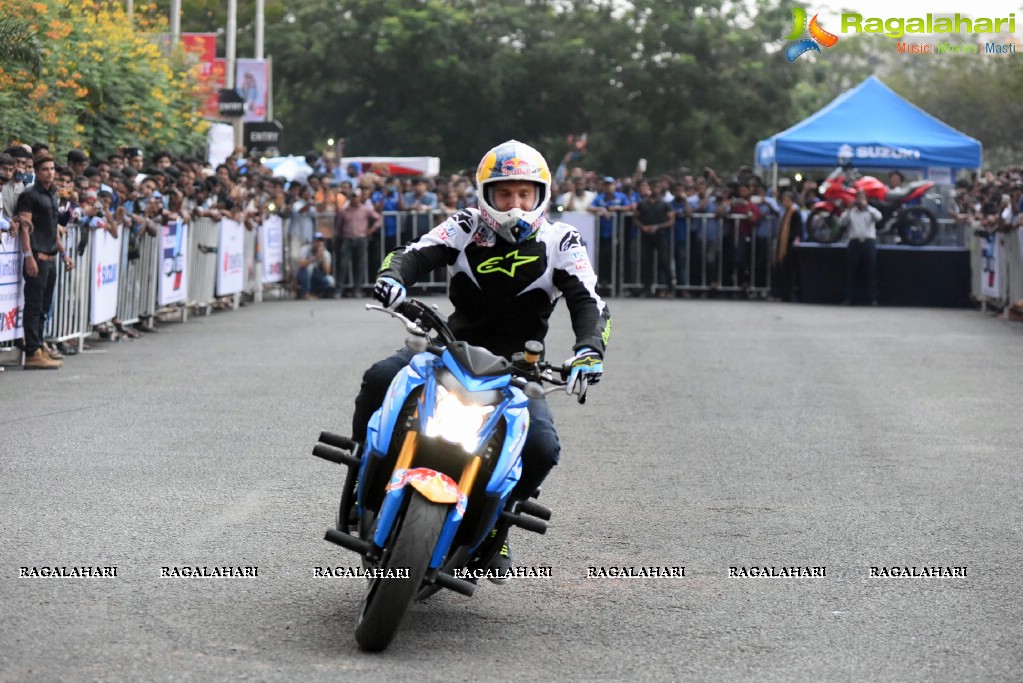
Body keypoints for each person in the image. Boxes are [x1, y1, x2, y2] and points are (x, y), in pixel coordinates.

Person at [355, 140, 610, 582]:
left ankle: (497, 525)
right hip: (450, 349)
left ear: (541, 195)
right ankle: (367, 472)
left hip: (519, 370)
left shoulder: (562, 239)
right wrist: (392, 278)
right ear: (485, 194)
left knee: (541, 448)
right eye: (504, 193)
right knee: (380, 377)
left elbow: (589, 303)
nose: (514, 203)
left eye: (524, 194)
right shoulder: (465, 225)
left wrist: (589, 349)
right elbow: (412, 254)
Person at [15, 156, 75, 369]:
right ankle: (32, 351)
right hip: (37, 257)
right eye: (45, 169)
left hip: (51, 258)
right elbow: (25, 227)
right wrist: (28, 255)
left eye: (52, 169)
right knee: (33, 306)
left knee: (44, 307)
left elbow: (54, 228)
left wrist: (65, 254)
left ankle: (39, 347)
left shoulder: (53, 194)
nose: (50, 172)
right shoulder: (30, 196)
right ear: (37, 172)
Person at [335, 188, 381, 297]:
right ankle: (339, 289)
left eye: (356, 196)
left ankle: (357, 289)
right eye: (353, 197)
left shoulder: (365, 209)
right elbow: (338, 227)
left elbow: (379, 219)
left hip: (361, 239)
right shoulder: (343, 211)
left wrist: (370, 230)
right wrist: (336, 238)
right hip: (347, 239)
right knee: (342, 265)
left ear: (359, 198)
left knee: (359, 265)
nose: (354, 199)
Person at [839, 189, 882, 305]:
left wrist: (867, 206)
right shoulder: (851, 211)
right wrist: (848, 209)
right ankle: (850, 298)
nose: (859, 200)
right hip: (854, 243)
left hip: (869, 242)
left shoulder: (871, 211)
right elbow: (841, 222)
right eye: (858, 198)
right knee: (851, 271)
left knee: (870, 270)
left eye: (862, 198)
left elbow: (879, 218)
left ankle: (872, 298)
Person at [633, 180, 675, 297]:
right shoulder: (643, 203)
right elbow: (635, 218)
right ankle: (647, 288)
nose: (655, 189)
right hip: (646, 236)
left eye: (657, 186)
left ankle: (670, 288)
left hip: (660, 235)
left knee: (664, 261)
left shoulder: (664, 204)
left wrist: (658, 227)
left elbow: (671, 220)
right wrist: (643, 227)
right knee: (646, 262)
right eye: (653, 186)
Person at [770, 191, 802, 302]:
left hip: (790, 244)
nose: (784, 202)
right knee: (782, 269)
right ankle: (780, 293)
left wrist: (796, 239)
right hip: (783, 244)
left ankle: (786, 295)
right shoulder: (785, 213)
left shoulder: (794, 213)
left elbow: (798, 229)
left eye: (787, 200)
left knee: (788, 270)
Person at [296, 232, 335, 299]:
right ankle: (306, 292)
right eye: (317, 241)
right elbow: (300, 264)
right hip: (304, 274)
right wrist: (315, 257)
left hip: (316, 274)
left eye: (321, 241)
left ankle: (315, 292)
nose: (319, 243)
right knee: (309, 268)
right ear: (313, 242)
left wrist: (323, 259)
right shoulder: (305, 249)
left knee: (331, 281)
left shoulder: (326, 253)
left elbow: (327, 272)